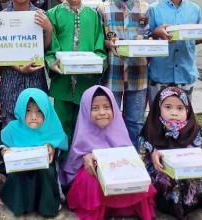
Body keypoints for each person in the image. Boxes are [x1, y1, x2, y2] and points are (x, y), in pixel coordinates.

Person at [61, 86, 156, 220]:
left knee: (137, 175)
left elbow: (126, 150)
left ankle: (126, 206)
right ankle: (101, 208)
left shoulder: (118, 127)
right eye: (95, 108)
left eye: (107, 107)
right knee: (92, 177)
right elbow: (75, 159)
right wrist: (86, 157)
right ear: (86, 110)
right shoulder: (83, 130)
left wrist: (134, 160)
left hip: (117, 168)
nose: (102, 112)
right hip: (94, 169)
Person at [46, 0, 106, 144]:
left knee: (85, 124)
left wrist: (99, 63)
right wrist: (51, 62)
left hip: (86, 82)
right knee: (62, 126)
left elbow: (100, 45)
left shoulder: (93, 14)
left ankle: (80, 166)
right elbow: (50, 47)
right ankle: (62, 166)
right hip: (62, 82)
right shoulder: (53, 14)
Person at [96, 0, 151, 151]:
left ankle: (133, 158)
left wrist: (149, 42)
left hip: (139, 74)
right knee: (109, 119)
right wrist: (107, 42)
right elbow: (97, 39)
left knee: (135, 121)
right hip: (113, 74)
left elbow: (151, 37)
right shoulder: (102, 9)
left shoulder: (146, 9)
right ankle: (110, 158)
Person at [139, 87, 202, 219]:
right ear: (159, 108)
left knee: (193, 174)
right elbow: (150, 150)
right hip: (160, 166)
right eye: (168, 107)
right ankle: (169, 204)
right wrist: (155, 153)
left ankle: (191, 203)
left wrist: (201, 154)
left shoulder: (193, 129)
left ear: (187, 110)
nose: (174, 113)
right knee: (166, 175)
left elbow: (196, 149)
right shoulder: (153, 126)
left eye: (180, 108)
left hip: (187, 164)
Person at [0, 88, 68, 217]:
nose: (33, 117)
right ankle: (14, 200)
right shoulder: (13, 128)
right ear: (20, 110)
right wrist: (3, 151)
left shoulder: (52, 127)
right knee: (18, 173)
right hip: (20, 166)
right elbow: (1, 143)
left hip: (44, 166)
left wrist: (52, 148)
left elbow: (61, 147)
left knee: (47, 171)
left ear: (46, 111)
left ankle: (48, 203)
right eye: (28, 110)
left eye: (39, 111)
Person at [0, 0, 53, 126]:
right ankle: (9, 149)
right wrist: (18, 67)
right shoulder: (1, 19)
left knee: (37, 116)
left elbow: (44, 49)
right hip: (10, 78)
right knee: (11, 117)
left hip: (35, 76)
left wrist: (48, 29)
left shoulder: (41, 16)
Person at [146, 0, 202, 104]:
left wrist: (200, 38)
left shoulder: (195, 9)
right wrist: (156, 33)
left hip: (186, 71)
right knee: (158, 113)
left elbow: (194, 36)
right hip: (161, 72)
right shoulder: (153, 9)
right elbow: (146, 37)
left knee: (182, 112)